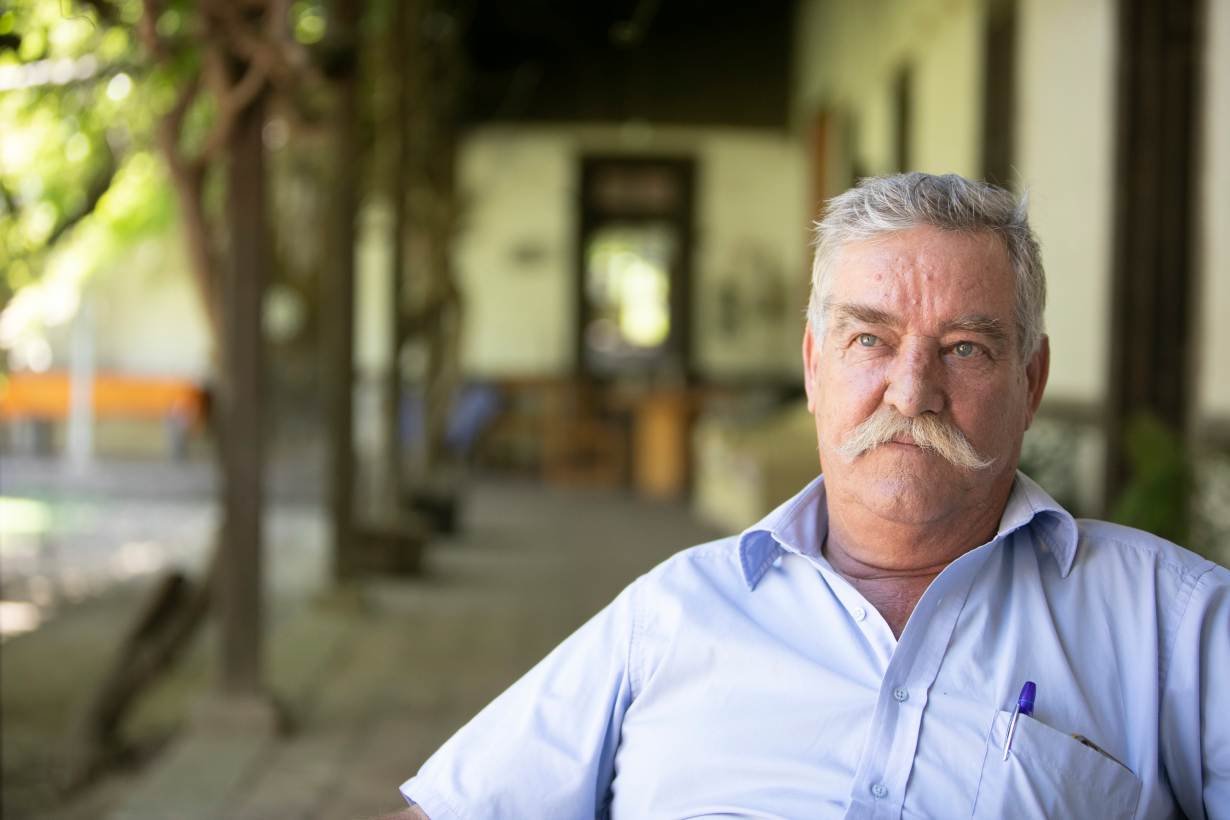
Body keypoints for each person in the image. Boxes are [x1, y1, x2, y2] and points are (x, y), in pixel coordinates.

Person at [382, 173, 1229, 819]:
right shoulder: (673, 613)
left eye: (965, 349)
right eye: (871, 339)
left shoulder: (1173, 624)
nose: (911, 391)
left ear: (1031, 381)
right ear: (814, 366)